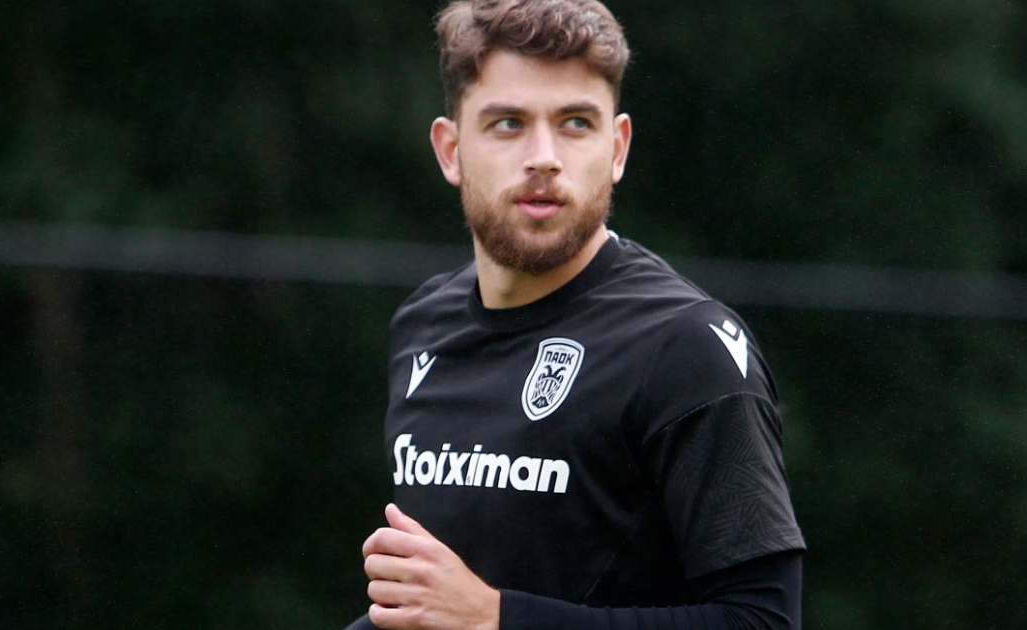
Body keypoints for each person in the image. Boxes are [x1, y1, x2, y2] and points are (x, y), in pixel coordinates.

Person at [345, 1, 806, 629]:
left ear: (616, 147)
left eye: (575, 123)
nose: (543, 157)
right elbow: (432, 613)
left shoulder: (686, 349)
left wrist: (497, 618)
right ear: (450, 150)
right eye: (508, 123)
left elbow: (762, 621)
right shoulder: (423, 325)